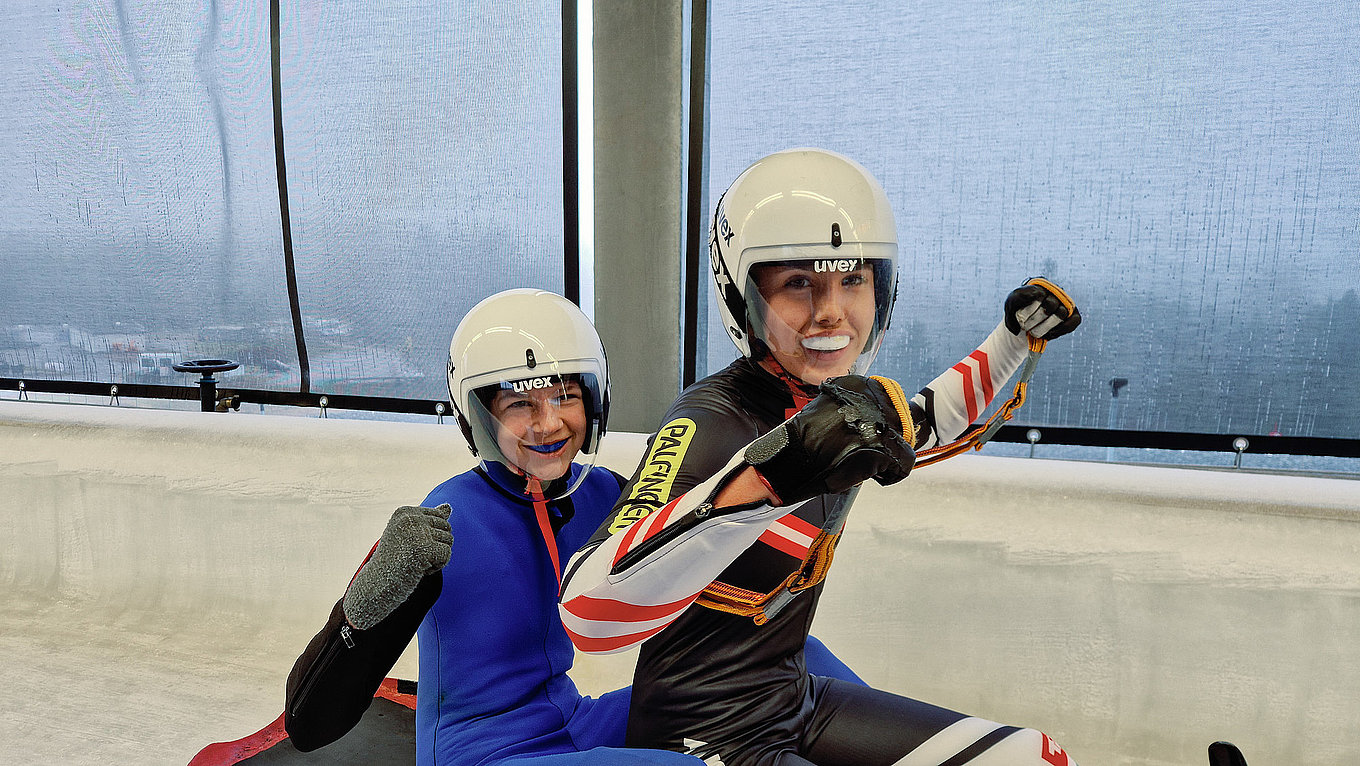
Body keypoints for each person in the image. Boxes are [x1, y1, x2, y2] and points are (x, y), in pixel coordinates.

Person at [559, 148, 1083, 766]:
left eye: (853, 279)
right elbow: (588, 614)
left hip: (793, 699)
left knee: (1031, 759)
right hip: (699, 733)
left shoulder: (840, 407)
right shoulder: (709, 419)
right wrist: (767, 477)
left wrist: (1013, 340)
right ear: (742, 297)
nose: (831, 311)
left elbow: (930, 419)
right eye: (799, 283)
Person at [283, 288, 860, 766]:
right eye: (518, 404)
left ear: (594, 398)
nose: (548, 424)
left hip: (573, 722)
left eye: (564, 397)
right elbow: (309, 724)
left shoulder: (606, 494)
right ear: (480, 416)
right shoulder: (445, 522)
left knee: (791, 658)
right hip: (482, 755)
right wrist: (364, 603)